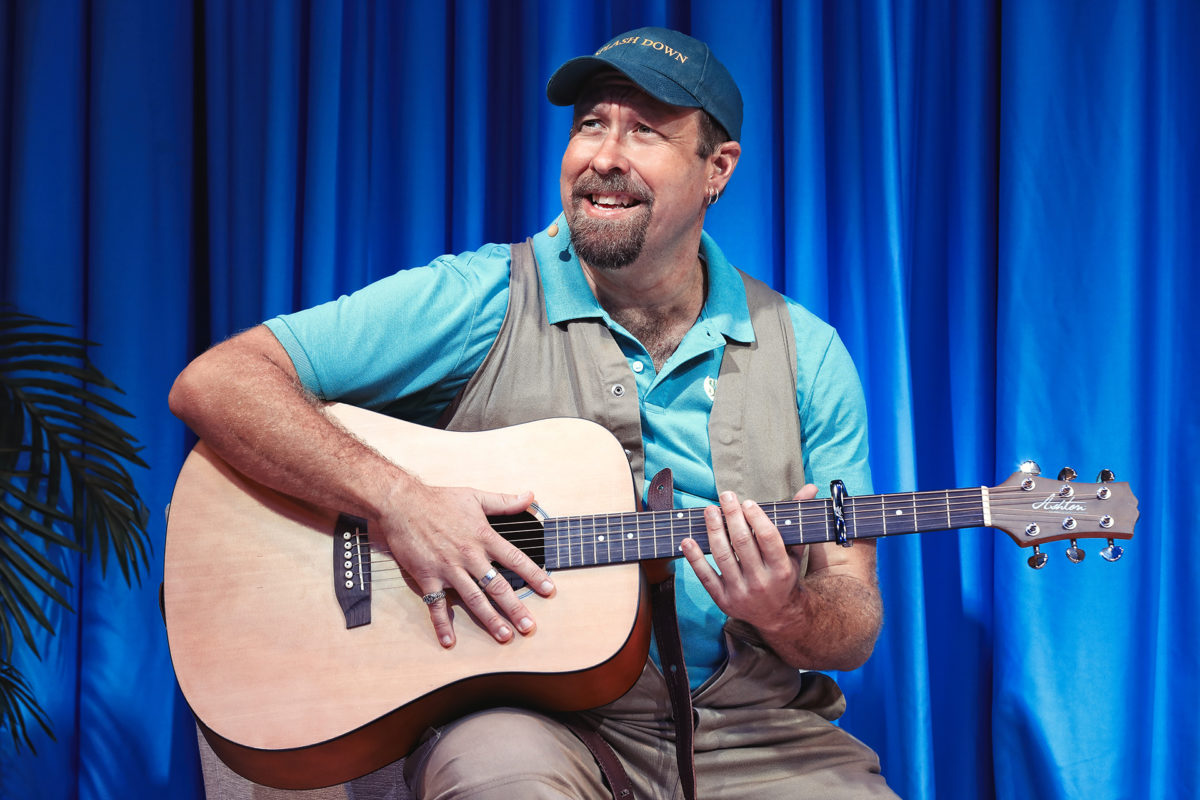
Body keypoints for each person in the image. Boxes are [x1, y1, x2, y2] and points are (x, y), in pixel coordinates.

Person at [170, 26, 897, 800]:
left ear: (717, 169)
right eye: (590, 123)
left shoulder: (806, 354)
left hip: (749, 729)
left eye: (644, 130)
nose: (604, 156)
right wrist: (398, 500)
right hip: (524, 719)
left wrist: (787, 611)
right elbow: (218, 382)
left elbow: (852, 615)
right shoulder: (481, 297)